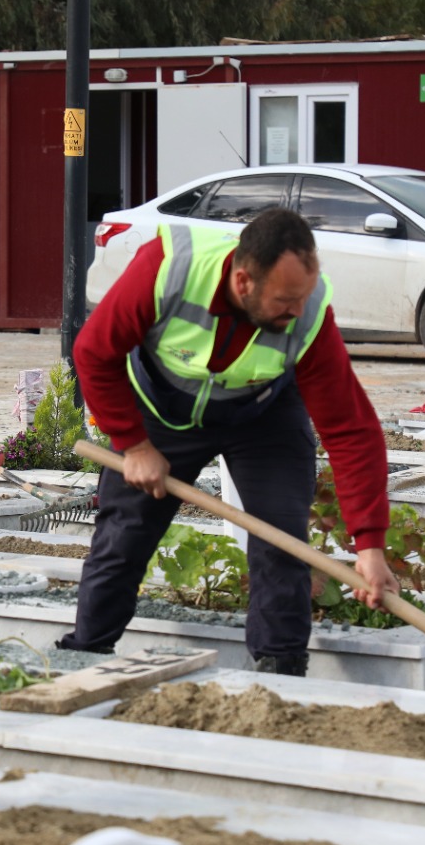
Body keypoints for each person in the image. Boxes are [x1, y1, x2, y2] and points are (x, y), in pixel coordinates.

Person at [60, 208, 397, 675]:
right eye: (284, 299)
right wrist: (134, 446)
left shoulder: (309, 312)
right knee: (123, 536)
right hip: (161, 414)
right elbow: (94, 351)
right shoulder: (168, 269)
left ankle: (281, 674)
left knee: (280, 540)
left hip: (263, 417)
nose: (298, 310)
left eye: (302, 296)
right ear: (243, 282)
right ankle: (85, 657)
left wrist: (370, 547)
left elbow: (351, 429)